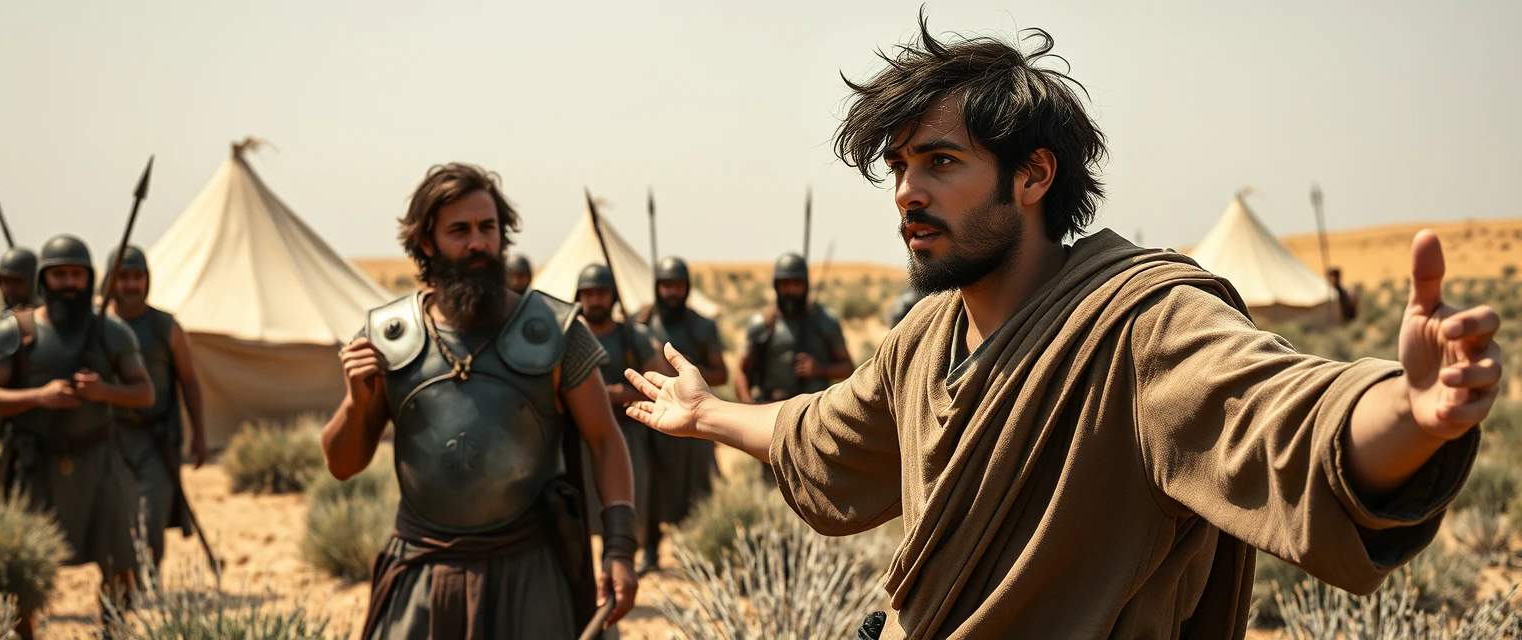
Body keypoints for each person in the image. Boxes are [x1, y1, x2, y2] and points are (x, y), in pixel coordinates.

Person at [621, 18, 1504, 639]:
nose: (906, 194)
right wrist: (705, 416)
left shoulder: (1138, 326)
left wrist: (1410, 412)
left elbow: (1285, 420)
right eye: (898, 168)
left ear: (1034, 174)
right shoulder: (925, 337)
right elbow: (819, 429)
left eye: (940, 162)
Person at [323, 163, 639, 639]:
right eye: (459, 230)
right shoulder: (388, 337)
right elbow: (342, 464)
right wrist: (355, 403)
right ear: (427, 243)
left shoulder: (553, 329)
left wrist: (619, 547)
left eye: (487, 228)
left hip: (529, 571)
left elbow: (605, 441)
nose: (478, 243)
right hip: (424, 570)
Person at [0, 234, 154, 637]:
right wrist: (38, 397)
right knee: (19, 568)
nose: (68, 283)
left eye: (76, 274)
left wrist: (103, 392)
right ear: (44, 279)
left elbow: (144, 392)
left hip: (100, 461)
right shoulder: (16, 330)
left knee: (121, 559)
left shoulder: (111, 332)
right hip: (33, 465)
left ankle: (112, 631)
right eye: (59, 275)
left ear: (89, 278)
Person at [104, 245, 208, 575]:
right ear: (111, 281)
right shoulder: (99, 328)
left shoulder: (165, 327)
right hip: (111, 439)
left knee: (153, 515)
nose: (131, 285)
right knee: (117, 517)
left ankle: (151, 579)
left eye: (137, 277)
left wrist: (200, 435)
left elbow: (190, 381)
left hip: (158, 438)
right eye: (124, 277)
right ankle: (125, 585)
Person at [633, 256, 724, 573]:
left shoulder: (702, 325)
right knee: (651, 489)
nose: (671, 292)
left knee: (694, 487)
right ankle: (650, 550)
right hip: (654, 418)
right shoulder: (640, 323)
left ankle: (695, 552)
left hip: (693, 422)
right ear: (657, 287)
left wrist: (691, 371)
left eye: (678, 286)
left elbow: (721, 372)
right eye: (666, 285)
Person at [575, 263, 668, 552]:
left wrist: (625, 393)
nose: (595, 300)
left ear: (612, 296)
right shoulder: (569, 336)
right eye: (588, 293)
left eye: (601, 293)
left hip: (627, 433)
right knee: (581, 511)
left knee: (625, 505)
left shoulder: (633, 336)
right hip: (581, 437)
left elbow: (661, 387)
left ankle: (619, 561)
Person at [735, 252, 855, 404]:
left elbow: (848, 368)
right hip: (770, 408)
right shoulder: (762, 323)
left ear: (805, 285)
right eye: (785, 285)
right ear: (776, 286)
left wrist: (819, 369)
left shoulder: (824, 321)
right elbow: (741, 370)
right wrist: (749, 407)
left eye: (797, 284)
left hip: (813, 410)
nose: (791, 291)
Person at [0, 247, 39, 483]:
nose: (9, 289)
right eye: (4, 282)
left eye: (17, 282)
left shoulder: (45, 326)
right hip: (9, 431)